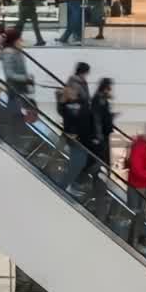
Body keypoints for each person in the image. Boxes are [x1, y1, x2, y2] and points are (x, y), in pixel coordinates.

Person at [57, 62, 95, 195]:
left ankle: (70, 184)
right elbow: (70, 119)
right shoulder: (71, 106)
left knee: (81, 161)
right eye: (72, 90)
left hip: (79, 136)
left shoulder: (76, 104)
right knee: (77, 162)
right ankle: (63, 186)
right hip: (74, 136)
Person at [0, 28, 35, 140]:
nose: (21, 40)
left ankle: (17, 135)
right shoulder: (8, 53)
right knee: (15, 113)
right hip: (14, 88)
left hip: (19, 87)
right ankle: (13, 137)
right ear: (14, 39)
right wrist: (26, 78)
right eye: (19, 38)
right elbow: (10, 74)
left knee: (17, 112)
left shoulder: (16, 50)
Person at [126, 125, 146, 249]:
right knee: (138, 214)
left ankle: (136, 239)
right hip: (137, 186)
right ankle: (133, 241)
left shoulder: (142, 145)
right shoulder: (140, 146)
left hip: (142, 184)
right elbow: (137, 169)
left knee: (141, 214)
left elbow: (142, 164)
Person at [92, 78, 116, 172]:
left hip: (103, 132)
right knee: (102, 157)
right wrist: (98, 135)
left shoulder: (101, 98)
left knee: (104, 157)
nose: (110, 89)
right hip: (101, 134)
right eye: (109, 87)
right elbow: (97, 117)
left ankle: (103, 176)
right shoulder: (99, 99)